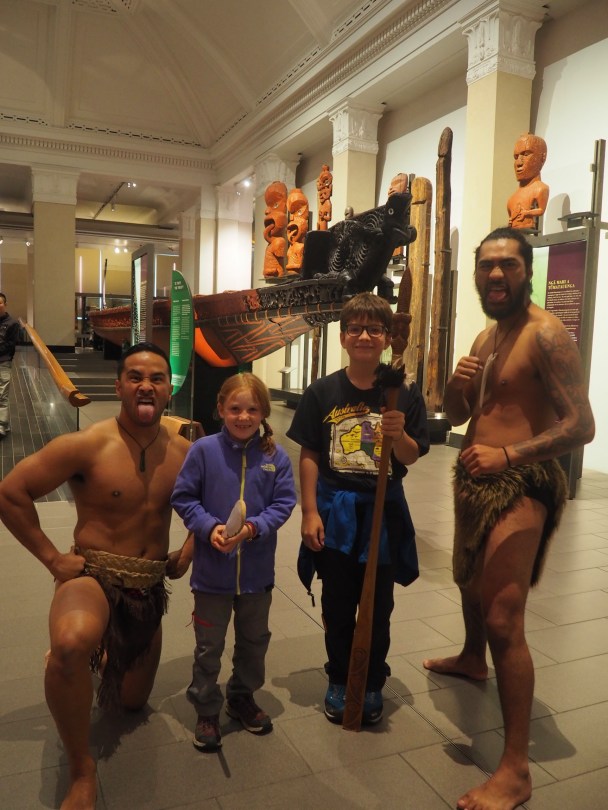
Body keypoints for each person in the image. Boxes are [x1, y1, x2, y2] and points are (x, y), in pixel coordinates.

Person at [423, 227, 595, 810]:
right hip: (476, 475)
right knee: (469, 579)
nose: (496, 274)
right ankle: (473, 660)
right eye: (487, 265)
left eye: (509, 265)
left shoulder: (547, 335)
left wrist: (508, 456)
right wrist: (455, 387)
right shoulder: (487, 335)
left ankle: (516, 769)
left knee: (503, 615)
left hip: (524, 480)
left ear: (527, 272)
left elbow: (582, 425)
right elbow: (457, 415)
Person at [0, 342, 191, 810]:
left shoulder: (186, 453)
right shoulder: (87, 445)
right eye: (135, 377)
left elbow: (223, 502)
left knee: (130, 703)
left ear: (169, 390)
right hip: (93, 576)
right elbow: (10, 492)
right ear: (119, 385)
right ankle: (81, 769)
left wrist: (189, 549)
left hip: (148, 589)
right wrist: (52, 559)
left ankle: (104, 652)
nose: (146, 386)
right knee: (70, 644)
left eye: (157, 378)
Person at [287, 292, 429, 725]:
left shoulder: (402, 393)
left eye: (374, 329)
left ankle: (370, 680)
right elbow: (310, 454)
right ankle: (338, 675)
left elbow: (410, 457)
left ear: (386, 337)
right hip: (337, 512)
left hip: (381, 515)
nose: (364, 336)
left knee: (378, 606)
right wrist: (309, 512)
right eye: (355, 328)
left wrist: (399, 434)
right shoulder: (322, 391)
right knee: (337, 602)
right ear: (343, 336)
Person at [170, 373, 296, 752]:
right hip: (212, 576)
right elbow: (184, 497)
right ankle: (206, 708)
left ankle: (241, 696)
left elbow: (284, 503)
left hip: (257, 576)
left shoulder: (276, 457)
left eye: (252, 409)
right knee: (209, 646)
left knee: (254, 641)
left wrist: (254, 527)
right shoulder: (203, 451)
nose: (243, 417)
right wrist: (209, 528)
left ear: (264, 413)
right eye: (235, 408)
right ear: (221, 409)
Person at [507, 133, 549, 231]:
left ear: (542, 158)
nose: (519, 163)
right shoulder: (511, 199)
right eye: (516, 157)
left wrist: (526, 213)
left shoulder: (541, 189)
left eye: (526, 155)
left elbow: (541, 210)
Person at [0, 291, 20, 437]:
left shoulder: (12, 324)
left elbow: (10, 345)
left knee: (2, 395)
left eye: (0, 303)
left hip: (3, 362)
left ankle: (1, 425)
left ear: (5, 304)